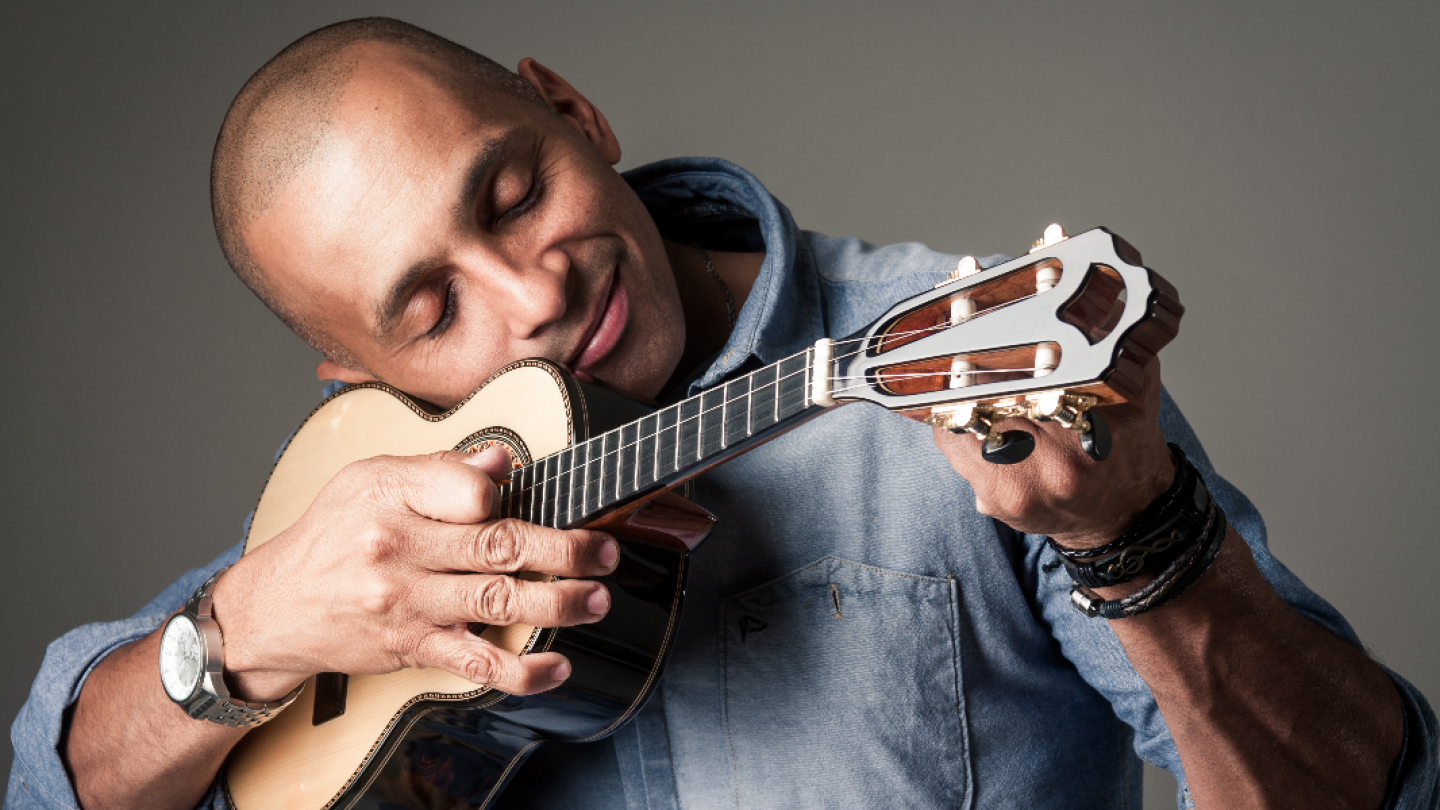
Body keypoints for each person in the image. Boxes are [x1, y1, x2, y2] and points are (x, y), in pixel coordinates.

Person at [5, 17, 1435, 810]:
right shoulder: (378, 493)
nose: (532, 290)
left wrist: (1145, 542)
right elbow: (53, 783)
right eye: (430, 309)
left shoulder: (970, 372)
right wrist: (245, 633)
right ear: (359, 381)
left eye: (511, 192)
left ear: (573, 108)